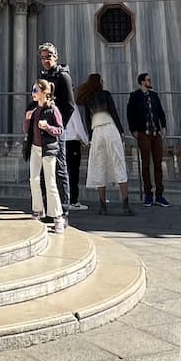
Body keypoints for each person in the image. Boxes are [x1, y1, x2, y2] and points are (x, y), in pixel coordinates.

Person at [75, 73, 135, 216]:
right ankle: (125, 205)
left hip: (96, 132)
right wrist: (121, 130)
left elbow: (87, 120)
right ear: (99, 82)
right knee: (118, 163)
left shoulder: (88, 98)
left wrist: (90, 138)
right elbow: (113, 112)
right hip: (110, 128)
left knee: (99, 165)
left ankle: (103, 206)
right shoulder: (106, 94)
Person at [37, 43, 78, 217]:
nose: (46, 60)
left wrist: (59, 127)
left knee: (60, 169)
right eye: (43, 57)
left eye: (49, 56)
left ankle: (63, 210)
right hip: (43, 130)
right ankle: (48, 208)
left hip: (55, 131)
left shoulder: (63, 77)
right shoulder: (44, 76)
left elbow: (69, 106)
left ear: (56, 56)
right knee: (44, 169)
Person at [24, 80, 65, 234]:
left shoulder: (53, 110)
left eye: (35, 90)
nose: (33, 93)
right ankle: (37, 211)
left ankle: (57, 218)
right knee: (33, 179)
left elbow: (60, 130)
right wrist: (27, 120)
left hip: (48, 150)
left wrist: (48, 127)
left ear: (43, 92)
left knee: (50, 182)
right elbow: (27, 130)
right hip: (35, 148)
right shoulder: (34, 110)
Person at [127, 73, 169, 207]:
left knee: (158, 164)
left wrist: (163, 126)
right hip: (143, 133)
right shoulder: (135, 96)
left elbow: (160, 112)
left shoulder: (154, 95)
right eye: (148, 80)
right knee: (145, 164)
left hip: (155, 133)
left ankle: (160, 195)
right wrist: (133, 129)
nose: (150, 82)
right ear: (141, 82)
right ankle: (148, 194)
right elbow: (130, 113)